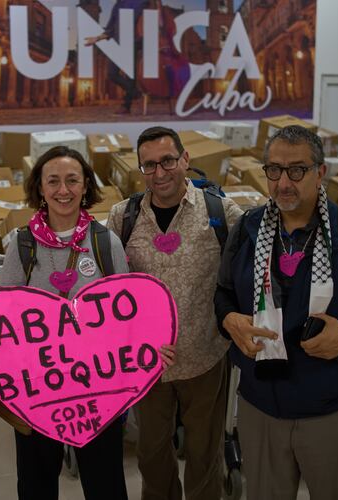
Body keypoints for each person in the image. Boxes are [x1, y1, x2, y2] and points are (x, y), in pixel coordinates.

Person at [0, 145, 136, 500]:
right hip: (36, 389)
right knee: (36, 484)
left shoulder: (106, 242)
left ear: (86, 186)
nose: (64, 190)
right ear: (41, 188)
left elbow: (124, 320)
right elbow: (5, 317)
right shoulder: (22, 244)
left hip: (97, 389)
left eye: (73, 180)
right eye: (54, 181)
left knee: (105, 483)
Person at [107, 126, 242, 500]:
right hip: (147, 365)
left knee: (204, 454)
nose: (160, 172)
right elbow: (109, 290)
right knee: (151, 454)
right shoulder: (123, 217)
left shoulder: (221, 212)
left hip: (205, 356)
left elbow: (246, 275)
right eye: (149, 165)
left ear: (185, 159)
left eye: (168, 160)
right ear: (140, 170)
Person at [214, 125, 338, 500]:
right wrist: (229, 319)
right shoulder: (247, 229)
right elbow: (223, 293)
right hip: (261, 406)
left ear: (321, 172)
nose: (284, 182)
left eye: (297, 170)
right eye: (274, 170)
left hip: (329, 408)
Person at [85, 0, 148, 114]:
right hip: (118, 43)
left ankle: (126, 106)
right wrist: (97, 38)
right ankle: (135, 93)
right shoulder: (117, 5)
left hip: (133, 42)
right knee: (112, 74)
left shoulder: (142, 2)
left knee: (130, 76)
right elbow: (110, 29)